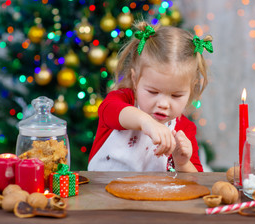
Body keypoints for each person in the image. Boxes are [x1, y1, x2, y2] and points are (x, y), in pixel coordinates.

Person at [88, 21, 213, 172]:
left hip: (153, 196)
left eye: (176, 95)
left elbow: (197, 181)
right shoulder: (122, 100)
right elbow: (106, 110)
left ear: (191, 90)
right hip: (102, 192)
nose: (163, 104)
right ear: (135, 80)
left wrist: (182, 163)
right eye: (153, 92)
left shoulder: (184, 129)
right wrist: (145, 122)